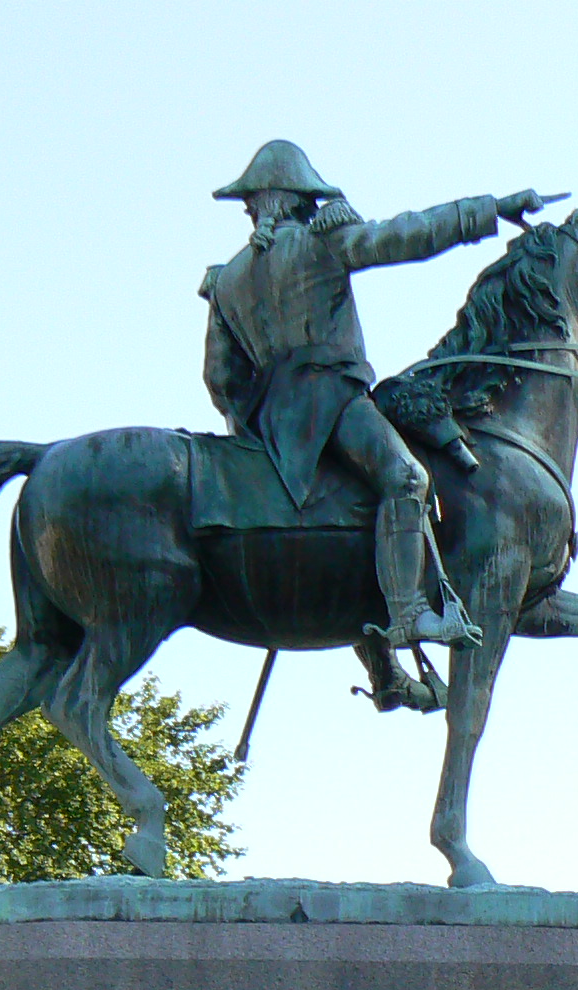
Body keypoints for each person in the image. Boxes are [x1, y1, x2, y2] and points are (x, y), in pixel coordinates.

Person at [201, 141, 547, 650]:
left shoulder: (226, 279)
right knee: (406, 477)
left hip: (269, 423)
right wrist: (490, 210)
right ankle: (408, 616)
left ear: (266, 199)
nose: (249, 209)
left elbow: (220, 378)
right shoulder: (323, 243)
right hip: (332, 401)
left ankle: (384, 669)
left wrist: (250, 425)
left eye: (250, 199)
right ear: (299, 197)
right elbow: (409, 235)